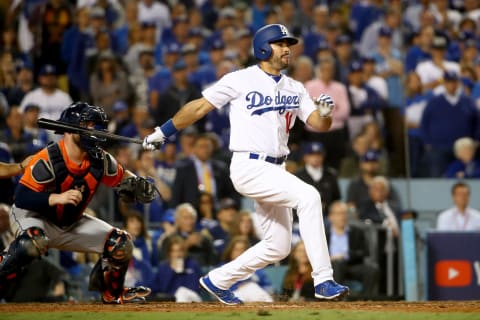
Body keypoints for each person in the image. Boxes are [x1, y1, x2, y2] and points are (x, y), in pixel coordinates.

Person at [143, 23, 349, 305]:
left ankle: (218, 280)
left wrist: (325, 113)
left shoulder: (295, 87)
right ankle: (323, 279)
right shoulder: (240, 79)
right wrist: (162, 132)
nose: (287, 49)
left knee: (278, 246)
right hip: (249, 165)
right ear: (264, 47)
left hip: (276, 169)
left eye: (288, 44)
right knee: (310, 196)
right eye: (281, 43)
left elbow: (318, 124)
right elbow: (199, 107)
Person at [0, 102, 154, 304]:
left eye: (98, 126)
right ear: (72, 129)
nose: (97, 131)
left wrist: (137, 184)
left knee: (121, 243)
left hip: (70, 221)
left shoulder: (101, 160)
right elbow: (21, 198)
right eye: (90, 125)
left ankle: (113, 293)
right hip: (35, 217)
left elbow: (123, 177)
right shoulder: (49, 158)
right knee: (33, 242)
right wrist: (56, 198)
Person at [326, 201, 379, 298]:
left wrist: (346, 255)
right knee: (338, 264)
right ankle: (337, 299)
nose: (342, 217)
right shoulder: (324, 234)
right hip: (331, 267)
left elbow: (364, 252)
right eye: (339, 214)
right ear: (331, 217)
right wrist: (331, 258)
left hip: (352, 265)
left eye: (344, 213)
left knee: (372, 270)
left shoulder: (357, 232)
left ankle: (366, 300)